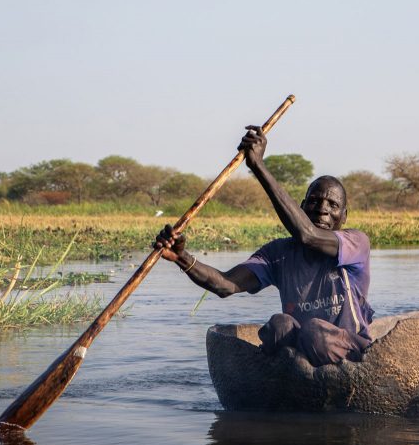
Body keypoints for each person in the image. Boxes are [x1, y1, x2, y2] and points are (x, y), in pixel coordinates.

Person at [155, 125, 374, 367]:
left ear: (344, 216)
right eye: (314, 201)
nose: (322, 208)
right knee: (280, 326)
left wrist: (257, 166)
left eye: (332, 204)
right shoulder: (278, 254)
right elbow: (225, 285)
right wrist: (182, 258)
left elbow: (308, 235)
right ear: (301, 207)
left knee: (315, 332)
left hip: (352, 353)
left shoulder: (356, 244)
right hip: (302, 352)